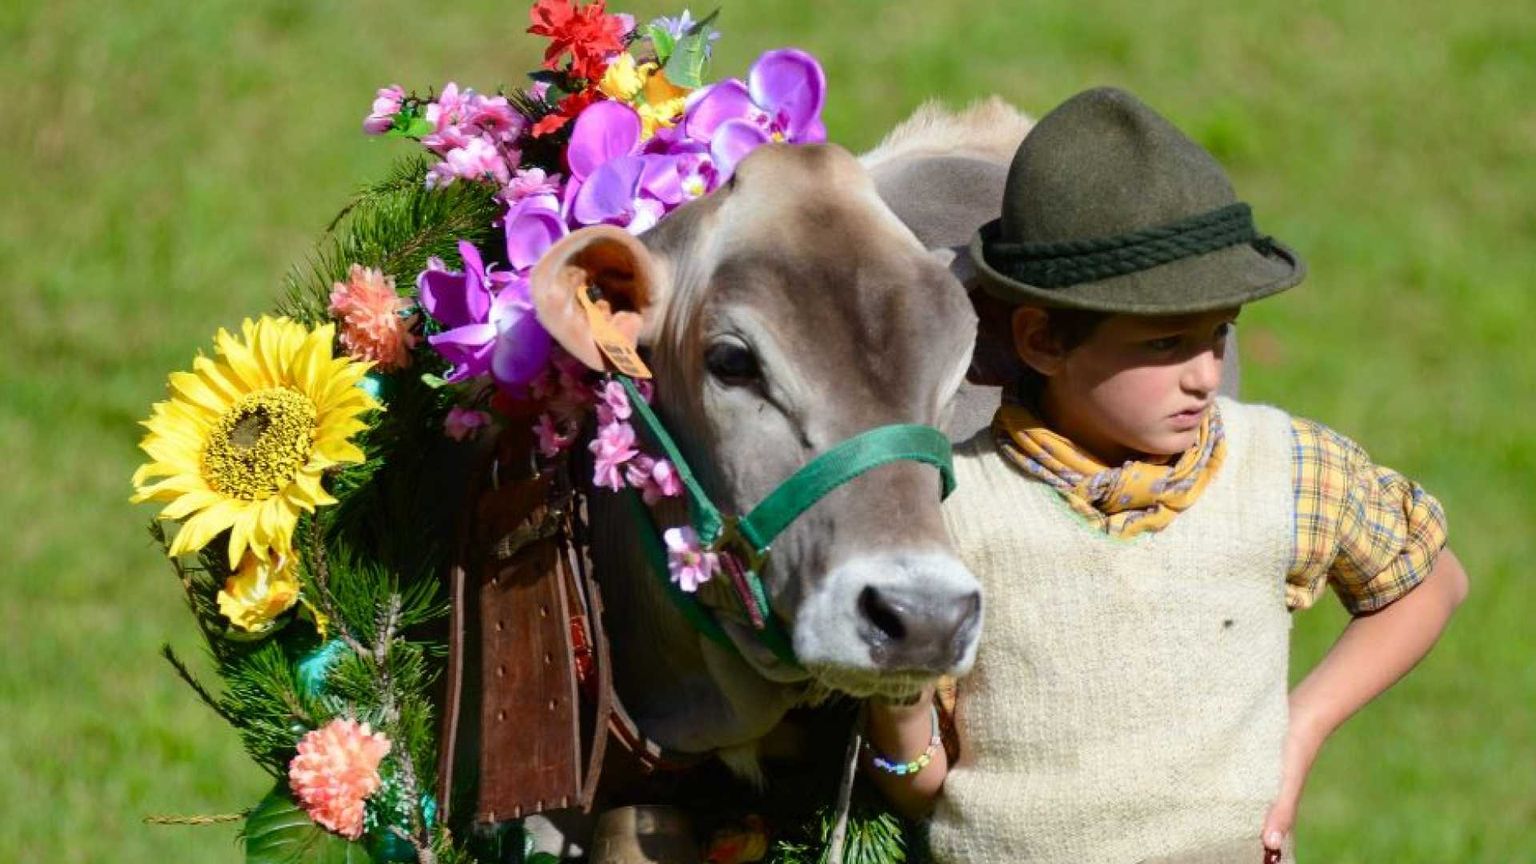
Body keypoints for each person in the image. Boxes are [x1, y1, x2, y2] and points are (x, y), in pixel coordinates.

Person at [860, 87, 1468, 863]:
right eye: (1165, 344)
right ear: (1042, 339)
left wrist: (1303, 726)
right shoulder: (959, 511)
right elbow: (922, 784)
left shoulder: (1277, 468)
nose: (1208, 375)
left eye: (1220, 334)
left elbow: (1427, 580)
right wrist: (898, 709)